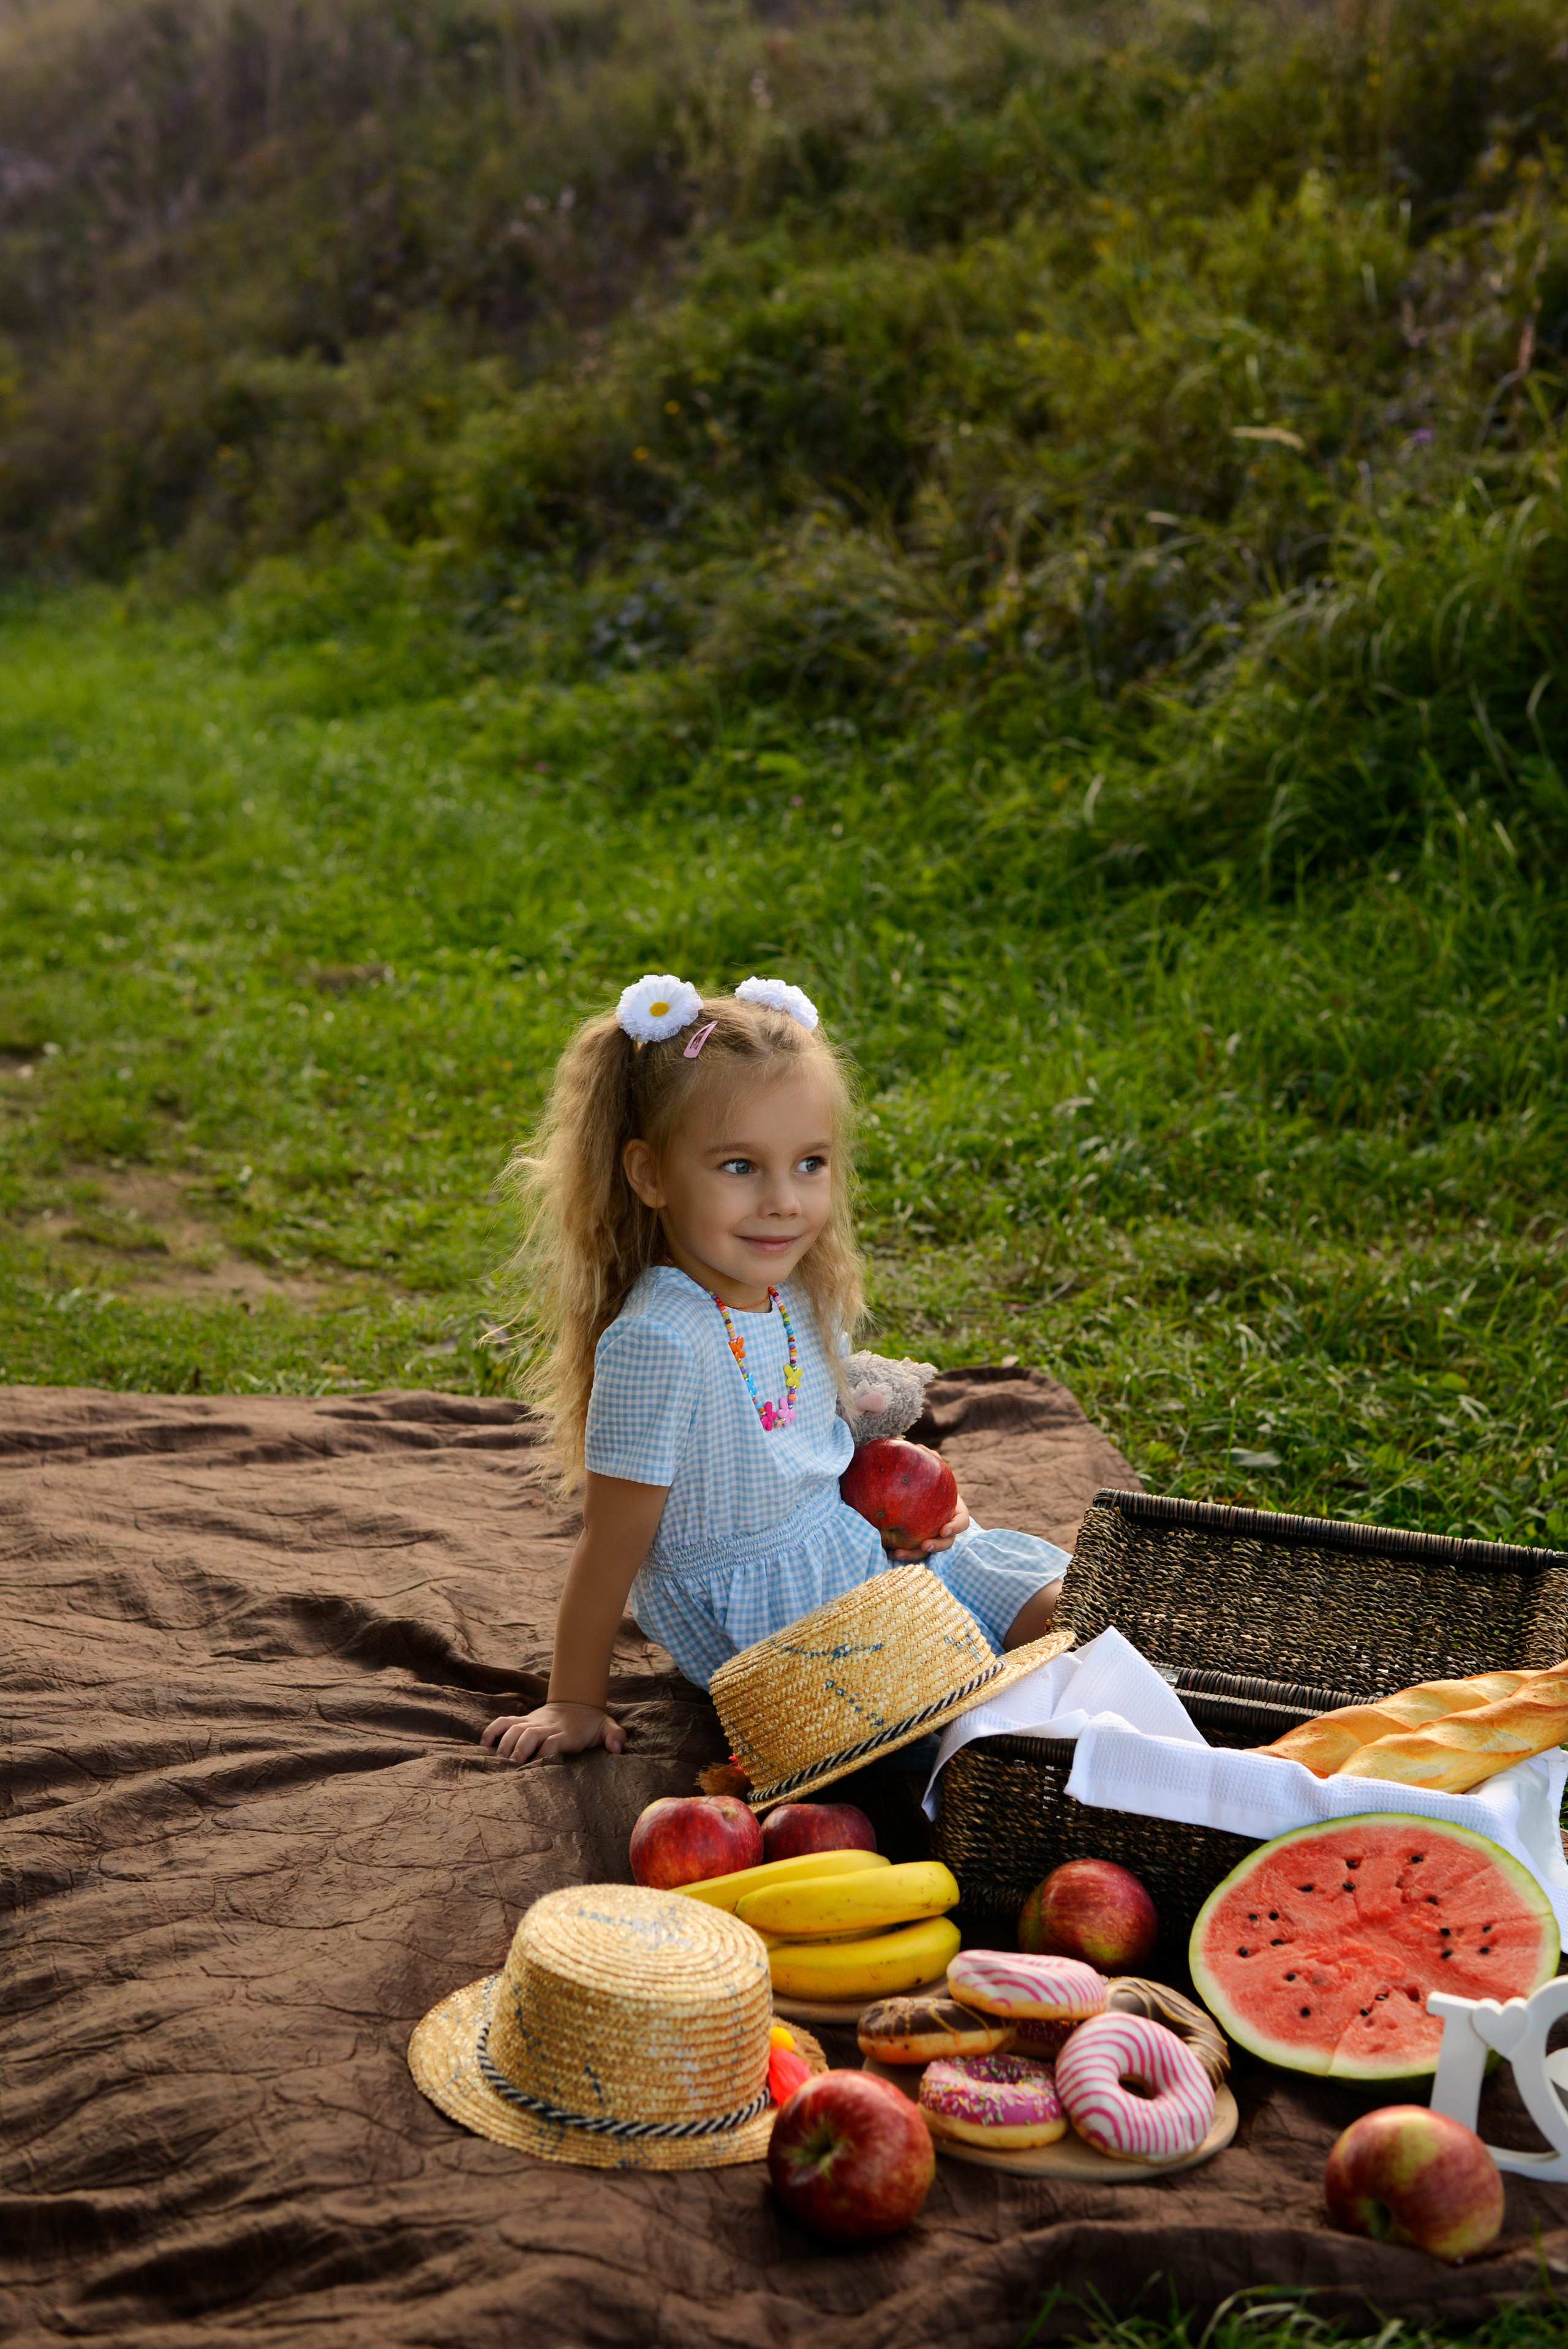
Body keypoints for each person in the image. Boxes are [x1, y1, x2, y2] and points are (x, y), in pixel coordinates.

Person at [482, 974, 1070, 1764]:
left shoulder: (795, 1292)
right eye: (739, 1167)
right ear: (650, 1175)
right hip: (783, 1616)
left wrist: (919, 1515)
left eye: (810, 1163)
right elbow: (610, 1541)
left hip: (856, 1546)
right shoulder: (659, 1340)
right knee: (977, 1711)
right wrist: (574, 1701)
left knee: (1064, 1610)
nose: (784, 1200)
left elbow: (812, 1441)